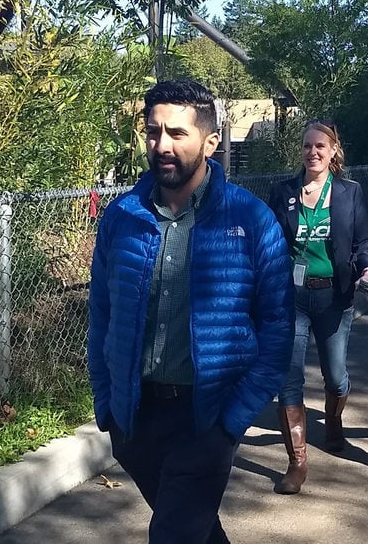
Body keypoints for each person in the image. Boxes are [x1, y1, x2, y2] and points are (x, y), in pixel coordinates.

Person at [87, 79, 294, 543]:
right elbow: (101, 314)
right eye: (153, 131)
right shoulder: (121, 217)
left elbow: (278, 329)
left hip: (207, 418)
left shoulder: (251, 220)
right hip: (134, 418)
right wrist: (107, 405)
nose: (162, 145)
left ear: (211, 141)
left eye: (178, 133)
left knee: (174, 534)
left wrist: (232, 420)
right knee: (194, 530)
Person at [267, 119, 368, 494]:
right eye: (307, 146)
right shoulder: (283, 192)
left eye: (320, 146)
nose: (312, 152)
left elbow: (363, 240)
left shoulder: (349, 192)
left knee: (335, 375)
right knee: (289, 378)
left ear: (333, 151)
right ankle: (296, 463)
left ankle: (333, 421)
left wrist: (367, 271)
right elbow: (269, 244)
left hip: (334, 296)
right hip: (291, 297)